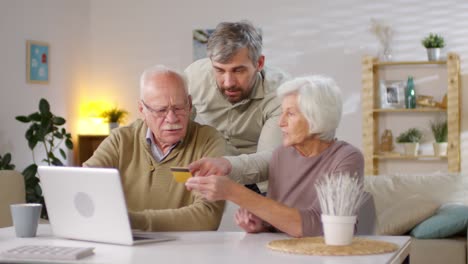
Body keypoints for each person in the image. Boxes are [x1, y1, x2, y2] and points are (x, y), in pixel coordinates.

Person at [185, 75, 364, 237]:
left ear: (317, 118)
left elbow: (319, 227)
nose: (281, 122)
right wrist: (262, 225)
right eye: (282, 112)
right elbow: (282, 222)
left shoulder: (347, 158)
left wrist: (233, 192)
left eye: (290, 114)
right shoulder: (282, 155)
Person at [84, 65, 226, 232]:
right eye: (161, 110)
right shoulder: (120, 140)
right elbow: (84, 184)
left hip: (185, 252)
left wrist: (133, 222)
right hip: (127, 248)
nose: (172, 118)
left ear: (189, 104)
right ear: (142, 110)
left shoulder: (209, 140)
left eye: (179, 108)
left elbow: (207, 216)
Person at [185, 20, 289, 193]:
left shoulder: (281, 93)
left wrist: (225, 165)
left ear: (259, 63)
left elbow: (270, 162)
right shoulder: (194, 78)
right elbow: (176, 128)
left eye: (238, 70)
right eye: (219, 70)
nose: (228, 83)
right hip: (217, 163)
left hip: (264, 174)